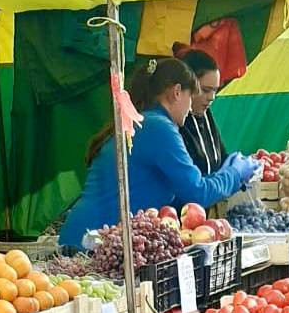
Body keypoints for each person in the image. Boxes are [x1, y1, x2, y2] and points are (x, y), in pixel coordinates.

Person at [59, 58, 258, 247]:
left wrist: (226, 175)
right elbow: (198, 193)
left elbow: (180, 193)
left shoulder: (143, 122)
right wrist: (235, 173)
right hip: (95, 243)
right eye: (191, 97)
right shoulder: (159, 127)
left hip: (88, 235)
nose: (190, 109)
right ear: (177, 92)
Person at [178, 49, 228, 175]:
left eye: (215, 90)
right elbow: (193, 184)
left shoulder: (206, 114)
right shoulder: (175, 123)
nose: (212, 97)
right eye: (205, 90)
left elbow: (221, 157)